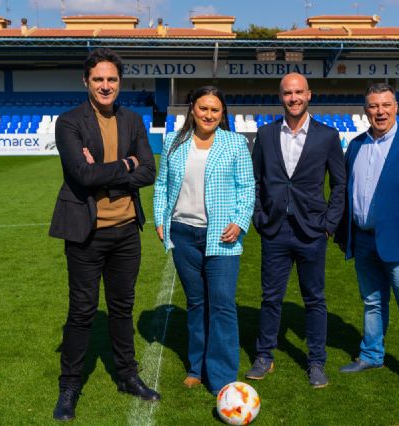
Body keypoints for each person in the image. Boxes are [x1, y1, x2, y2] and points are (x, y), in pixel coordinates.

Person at [49, 48, 159, 421]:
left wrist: (113, 168)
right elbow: (82, 175)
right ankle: (69, 387)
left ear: (120, 82)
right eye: (98, 79)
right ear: (86, 82)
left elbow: (149, 172)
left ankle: (127, 376)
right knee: (81, 311)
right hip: (86, 233)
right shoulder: (69, 123)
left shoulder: (133, 120)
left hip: (127, 231)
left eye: (111, 79)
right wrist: (127, 165)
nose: (105, 85)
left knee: (122, 308)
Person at [335, 82, 399, 399]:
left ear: (396, 107)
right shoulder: (355, 145)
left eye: (385, 105)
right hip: (365, 239)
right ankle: (371, 355)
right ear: (365, 110)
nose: (379, 111)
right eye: (373, 106)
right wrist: (345, 233)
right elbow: (347, 193)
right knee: (371, 302)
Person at [246, 73, 346, 388]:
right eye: (288, 93)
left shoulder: (327, 136)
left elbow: (340, 183)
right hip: (274, 230)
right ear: (281, 96)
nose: (294, 98)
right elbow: (255, 181)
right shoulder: (264, 135)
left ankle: (316, 362)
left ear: (309, 95)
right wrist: (258, 217)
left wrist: (329, 223)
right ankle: (264, 356)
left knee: (314, 299)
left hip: (311, 231)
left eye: (299, 92)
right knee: (270, 297)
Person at [153, 86, 255, 395]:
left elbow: (247, 188)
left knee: (222, 305)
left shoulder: (236, 143)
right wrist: (160, 218)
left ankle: (222, 375)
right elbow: (162, 184)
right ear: (192, 110)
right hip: (184, 234)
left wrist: (239, 222)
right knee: (196, 304)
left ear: (222, 114)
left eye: (215, 110)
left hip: (222, 237)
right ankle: (197, 366)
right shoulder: (173, 141)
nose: (208, 114)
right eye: (203, 108)